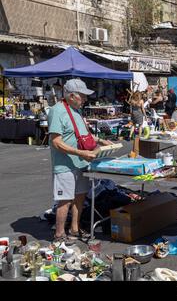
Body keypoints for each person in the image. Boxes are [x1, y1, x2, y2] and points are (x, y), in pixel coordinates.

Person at [48, 79, 113, 245]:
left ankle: (74, 229)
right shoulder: (57, 111)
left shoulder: (76, 111)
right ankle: (59, 234)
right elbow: (56, 141)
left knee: (79, 198)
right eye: (82, 96)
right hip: (65, 165)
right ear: (71, 96)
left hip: (81, 163)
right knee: (65, 200)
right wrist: (79, 152)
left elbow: (82, 134)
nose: (85, 99)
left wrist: (100, 141)